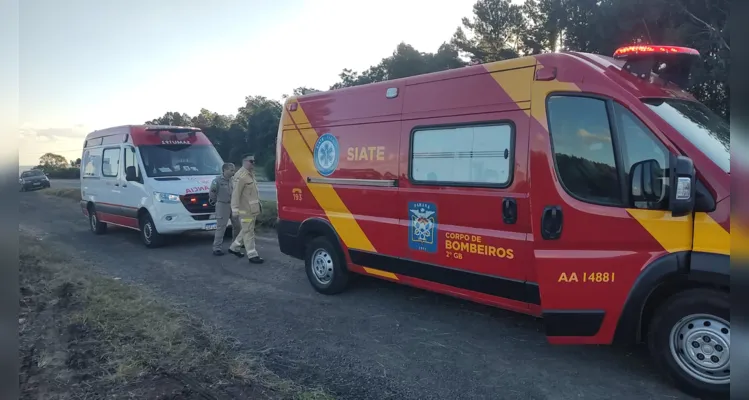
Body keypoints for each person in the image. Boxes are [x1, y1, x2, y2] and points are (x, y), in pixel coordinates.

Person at [228, 154, 264, 264]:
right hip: (245, 211)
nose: (253, 163)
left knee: (246, 229)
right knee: (249, 232)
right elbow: (235, 194)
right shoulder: (241, 176)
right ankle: (252, 255)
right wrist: (234, 209)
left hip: (252, 209)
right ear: (244, 161)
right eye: (251, 161)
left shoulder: (250, 174)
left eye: (254, 161)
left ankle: (234, 247)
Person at [209, 162, 236, 255]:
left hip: (233, 205)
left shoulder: (234, 180)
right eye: (231, 170)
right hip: (222, 205)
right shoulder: (217, 181)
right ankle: (217, 248)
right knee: (221, 227)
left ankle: (235, 245)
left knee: (237, 226)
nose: (233, 172)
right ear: (225, 170)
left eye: (234, 170)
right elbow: (212, 194)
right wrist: (218, 201)